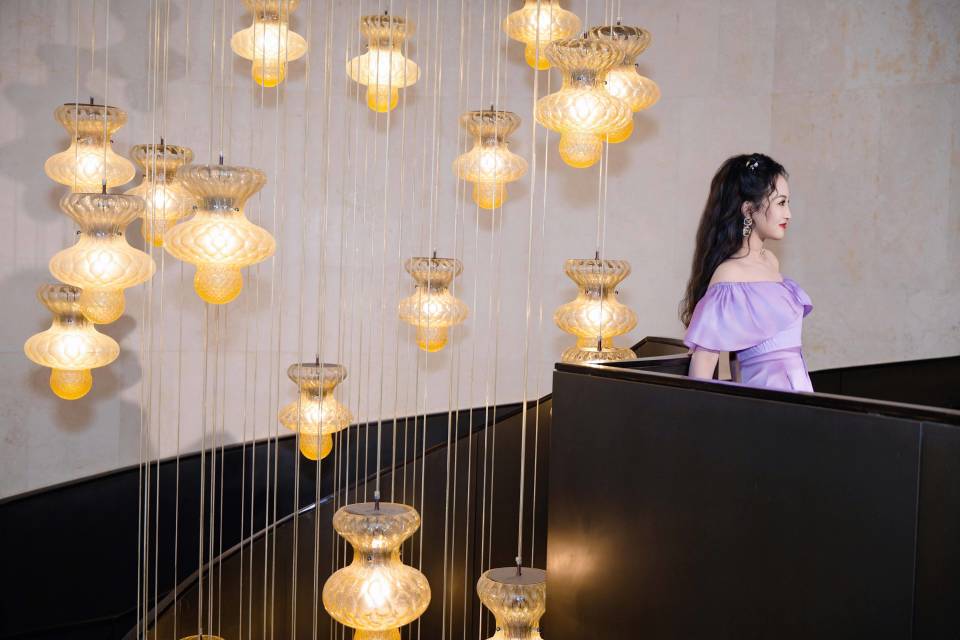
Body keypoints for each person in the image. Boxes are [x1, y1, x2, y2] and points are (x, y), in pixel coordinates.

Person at [679, 153, 814, 392]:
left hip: (800, 393)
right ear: (749, 210)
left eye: (788, 203)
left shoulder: (771, 262)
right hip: (766, 402)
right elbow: (704, 363)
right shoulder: (729, 275)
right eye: (781, 203)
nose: (788, 214)